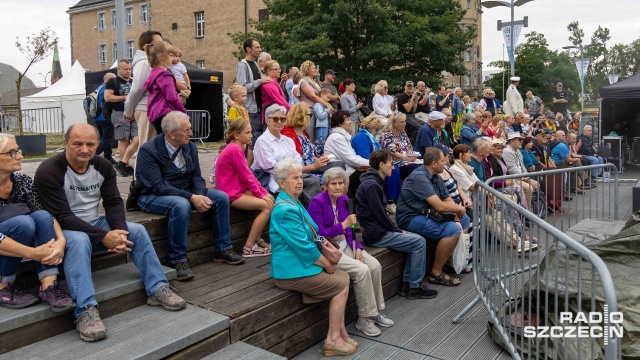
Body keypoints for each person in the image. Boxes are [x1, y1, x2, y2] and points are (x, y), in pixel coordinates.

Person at [34, 124, 185, 342]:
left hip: (94, 222)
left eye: (90, 144)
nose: (84, 149)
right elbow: (62, 215)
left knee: (138, 230)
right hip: (63, 228)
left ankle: (157, 288)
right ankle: (85, 310)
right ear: (65, 143)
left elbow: (114, 202)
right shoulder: (49, 170)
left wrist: (119, 233)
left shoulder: (103, 166)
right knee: (79, 240)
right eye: (77, 143)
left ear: (98, 145)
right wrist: (104, 237)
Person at [136, 112, 245, 280]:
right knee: (181, 205)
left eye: (190, 129)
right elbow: (156, 186)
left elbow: (197, 177)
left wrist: (199, 195)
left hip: (183, 192)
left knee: (221, 197)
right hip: (152, 195)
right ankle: (177, 259)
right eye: (187, 130)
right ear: (171, 133)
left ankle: (223, 249)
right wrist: (191, 197)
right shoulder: (148, 150)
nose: (191, 134)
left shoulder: (189, 146)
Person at [269, 158, 356, 357]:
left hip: (300, 264)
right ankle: (332, 339)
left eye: (301, 177)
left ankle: (339, 332)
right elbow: (304, 247)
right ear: (282, 183)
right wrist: (326, 263)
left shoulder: (294, 202)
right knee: (341, 282)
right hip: (290, 270)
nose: (300, 181)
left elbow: (313, 236)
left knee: (343, 278)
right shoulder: (285, 209)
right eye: (294, 178)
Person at [308, 168, 394, 337]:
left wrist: (358, 249)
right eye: (334, 184)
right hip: (329, 249)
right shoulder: (316, 203)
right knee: (361, 271)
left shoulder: (344, 200)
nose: (338, 187)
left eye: (341, 183)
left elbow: (353, 228)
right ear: (325, 186)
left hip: (346, 244)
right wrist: (343, 225)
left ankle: (375, 312)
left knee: (375, 265)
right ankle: (363, 319)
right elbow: (318, 233)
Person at [0, 135, 74, 312]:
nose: (20, 156)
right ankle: (4, 286)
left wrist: (61, 240)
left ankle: (49, 285)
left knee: (40, 216)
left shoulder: (22, 181)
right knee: (23, 224)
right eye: (12, 152)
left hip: (16, 240)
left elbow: (43, 213)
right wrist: (33, 253)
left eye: (18, 150)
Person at [356, 149, 437, 299]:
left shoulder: (375, 181)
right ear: (381, 165)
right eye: (391, 164)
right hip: (376, 233)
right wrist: (397, 230)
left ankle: (407, 285)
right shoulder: (371, 185)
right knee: (419, 242)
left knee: (416, 240)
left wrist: (397, 230)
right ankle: (414, 287)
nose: (393, 167)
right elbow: (380, 214)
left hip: (377, 229)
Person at [396, 147, 471, 287]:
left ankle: (451, 261)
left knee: (465, 220)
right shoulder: (419, 177)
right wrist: (459, 208)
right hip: (410, 218)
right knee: (452, 230)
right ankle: (436, 273)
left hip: (428, 214)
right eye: (443, 160)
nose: (446, 163)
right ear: (434, 163)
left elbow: (447, 201)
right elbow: (439, 206)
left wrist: (456, 211)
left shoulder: (436, 177)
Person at [215, 119, 274, 257]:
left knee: (268, 200)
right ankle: (249, 246)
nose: (251, 135)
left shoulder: (237, 147)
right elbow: (246, 175)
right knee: (267, 206)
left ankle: (257, 238)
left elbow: (249, 175)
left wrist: (263, 192)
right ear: (236, 135)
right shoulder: (235, 149)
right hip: (230, 193)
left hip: (235, 189)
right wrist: (261, 194)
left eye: (251, 132)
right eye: (247, 132)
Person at [125, 30, 163, 153]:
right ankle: (141, 172)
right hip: (146, 108)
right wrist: (128, 111)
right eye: (157, 44)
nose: (161, 47)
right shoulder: (144, 63)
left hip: (152, 107)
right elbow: (137, 89)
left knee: (153, 147)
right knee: (147, 147)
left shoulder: (151, 61)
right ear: (147, 46)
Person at [351, 115, 401, 211]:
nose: (378, 132)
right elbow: (366, 157)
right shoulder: (362, 137)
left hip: (371, 163)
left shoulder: (368, 136)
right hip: (365, 166)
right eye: (377, 129)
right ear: (372, 128)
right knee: (394, 171)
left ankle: (392, 199)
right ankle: (390, 201)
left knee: (394, 168)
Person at [281, 103, 342, 176]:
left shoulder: (304, 134)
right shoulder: (289, 137)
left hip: (313, 168)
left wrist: (320, 161)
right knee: (338, 169)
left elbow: (311, 156)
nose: (310, 118)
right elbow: (294, 167)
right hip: (305, 172)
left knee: (340, 165)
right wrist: (314, 166)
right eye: (310, 115)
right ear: (301, 116)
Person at [236, 38, 272, 164]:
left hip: (258, 109)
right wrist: (260, 81)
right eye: (257, 47)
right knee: (252, 140)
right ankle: (246, 169)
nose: (259, 50)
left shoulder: (256, 65)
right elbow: (242, 88)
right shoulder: (242, 65)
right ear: (248, 49)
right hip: (250, 110)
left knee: (258, 140)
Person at [143, 41, 187, 135]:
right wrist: (182, 110)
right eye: (171, 55)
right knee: (170, 142)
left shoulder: (154, 73)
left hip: (154, 114)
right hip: (165, 112)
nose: (173, 58)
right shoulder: (165, 75)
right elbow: (171, 97)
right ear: (162, 57)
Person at [324, 111, 370, 197]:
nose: (350, 122)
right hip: (342, 172)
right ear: (340, 123)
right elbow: (351, 159)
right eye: (348, 119)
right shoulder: (337, 138)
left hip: (347, 170)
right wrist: (372, 163)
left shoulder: (341, 136)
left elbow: (353, 157)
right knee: (371, 179)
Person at [104, 59, 136, 177]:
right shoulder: (113, 82)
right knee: (123, 140)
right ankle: (126, 166)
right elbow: (108, 97)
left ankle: (122, 163)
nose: (128, 71)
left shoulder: (134, 81)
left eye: (129, 69)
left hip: (133, 113)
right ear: (119, 69)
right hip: (119, 113)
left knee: (137, 140)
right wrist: (124, 97)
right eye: (125, 69)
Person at [501, 132, 539, 210]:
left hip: (520, 176)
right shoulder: (507, 151)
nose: (521, 141)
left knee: (536, 184)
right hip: (513, 177)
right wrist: (522, 177)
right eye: (519, 140)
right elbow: (511, 169)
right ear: (512, 141)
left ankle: (532, 207)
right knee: (528, 188)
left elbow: (522, 166)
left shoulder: (517, 150)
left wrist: (526, 175)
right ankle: (527, 212)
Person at [299, 61, 334, 141]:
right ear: (307, 70)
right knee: (310, 135)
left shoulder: (314, 83)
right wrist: (327, 105)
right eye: (313, 68)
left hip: (317, 110)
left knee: (316, 137)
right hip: (308, 111)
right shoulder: (304, 82)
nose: (316, 70)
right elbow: (313, 96)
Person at [379, 113, 420, 178]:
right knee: (416, 170)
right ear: (394, 123)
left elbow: (409, 148)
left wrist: (413, 155)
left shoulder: (402, 133)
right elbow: (393, 153)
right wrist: (408, 159)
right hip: (396, 163)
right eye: (402, 122)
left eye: (405, 121)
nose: (405, 124)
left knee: (424, 168)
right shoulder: (387, 135)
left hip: (407, 160)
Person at [94, 72, 117, 165]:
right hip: (105, 117)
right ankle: (94, 154)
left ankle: (108, 157)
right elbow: (105, 103)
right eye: (114, 79)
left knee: (105, 138)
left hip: (97, 117)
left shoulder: (98, 88)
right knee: (107, 138)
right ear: (108, 80)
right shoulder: (106, 90)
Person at [261, 60, 291, 124]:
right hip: (271, 117)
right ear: (269, 71)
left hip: (275, 114)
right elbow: (278, 99)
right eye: (276, 69)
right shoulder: (268, 83)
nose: (279, 71)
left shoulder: (273, 81)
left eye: (279, 69)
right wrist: (292, 110)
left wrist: (282, 82)